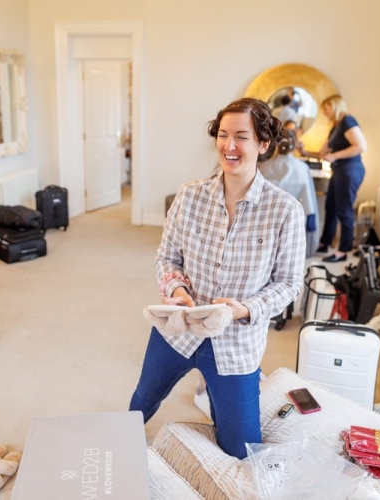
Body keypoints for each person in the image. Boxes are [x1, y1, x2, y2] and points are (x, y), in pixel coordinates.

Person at [129, 98, 306, 459]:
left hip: (235, 343)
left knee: (242, 451)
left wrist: (245, 309)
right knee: (143, 400)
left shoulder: (285, 210)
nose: (229, 146)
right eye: (223, 135)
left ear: (263, 144)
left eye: (242, 136)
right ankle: (119, 441)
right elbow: (167, 257)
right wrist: (176, 288)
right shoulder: (189, 196)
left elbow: (289, 283)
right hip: (178, 329)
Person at [300, 94, 367, 262]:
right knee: (331, 208)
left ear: (335, 106)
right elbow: (323, 154)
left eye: (325, 108)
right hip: (339, 171)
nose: (324, 112)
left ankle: (343, 251)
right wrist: (304, 152)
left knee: (344, 211)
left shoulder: (348, 121)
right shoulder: (336, 127)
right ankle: (325, 243)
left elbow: (360, 146)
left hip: (350, 171)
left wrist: (336, 156)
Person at [259, 128, 318, 257]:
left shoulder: (264, 166)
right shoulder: (302, 168)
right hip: (294, 221)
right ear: (295, 145)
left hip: (267, 219)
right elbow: (308, 203)